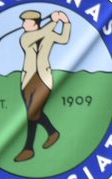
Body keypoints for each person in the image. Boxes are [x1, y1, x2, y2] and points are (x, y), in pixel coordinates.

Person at [14, 9, 71, 162]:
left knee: (33, 112)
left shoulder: (48, 34)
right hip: (28, 79)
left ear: (34, 23)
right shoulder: (25, 38)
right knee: (33, 112)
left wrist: (66, 22)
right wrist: (54, 20)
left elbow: (64, 39)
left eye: (26, 21)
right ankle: (52, 132)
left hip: (44, 78)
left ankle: (28, 148)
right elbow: (41, 34)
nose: (23, 24)